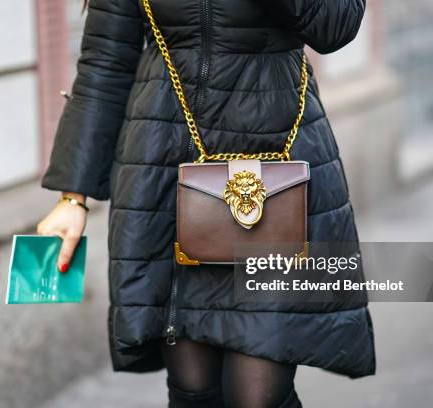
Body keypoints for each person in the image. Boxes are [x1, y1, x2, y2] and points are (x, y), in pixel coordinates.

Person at [37, 0, 375, 406]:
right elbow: (105, 66)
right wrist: (73, 196)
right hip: (164, 168)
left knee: (259, 396)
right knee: (194, 391)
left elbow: (334, 27)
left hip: (272, 164)